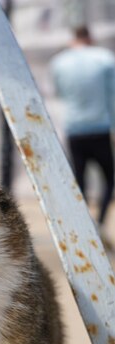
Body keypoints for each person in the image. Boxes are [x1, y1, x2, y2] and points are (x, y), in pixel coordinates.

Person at [51, 26, 115, 237]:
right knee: (110, 178)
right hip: (100, 127)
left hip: (74, 129)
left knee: (79, 179)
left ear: (73, 39)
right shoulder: (105, 58)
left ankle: (84, 225)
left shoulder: (59, 62)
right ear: (90, 38)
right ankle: (101, 221)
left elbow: (59, 92)